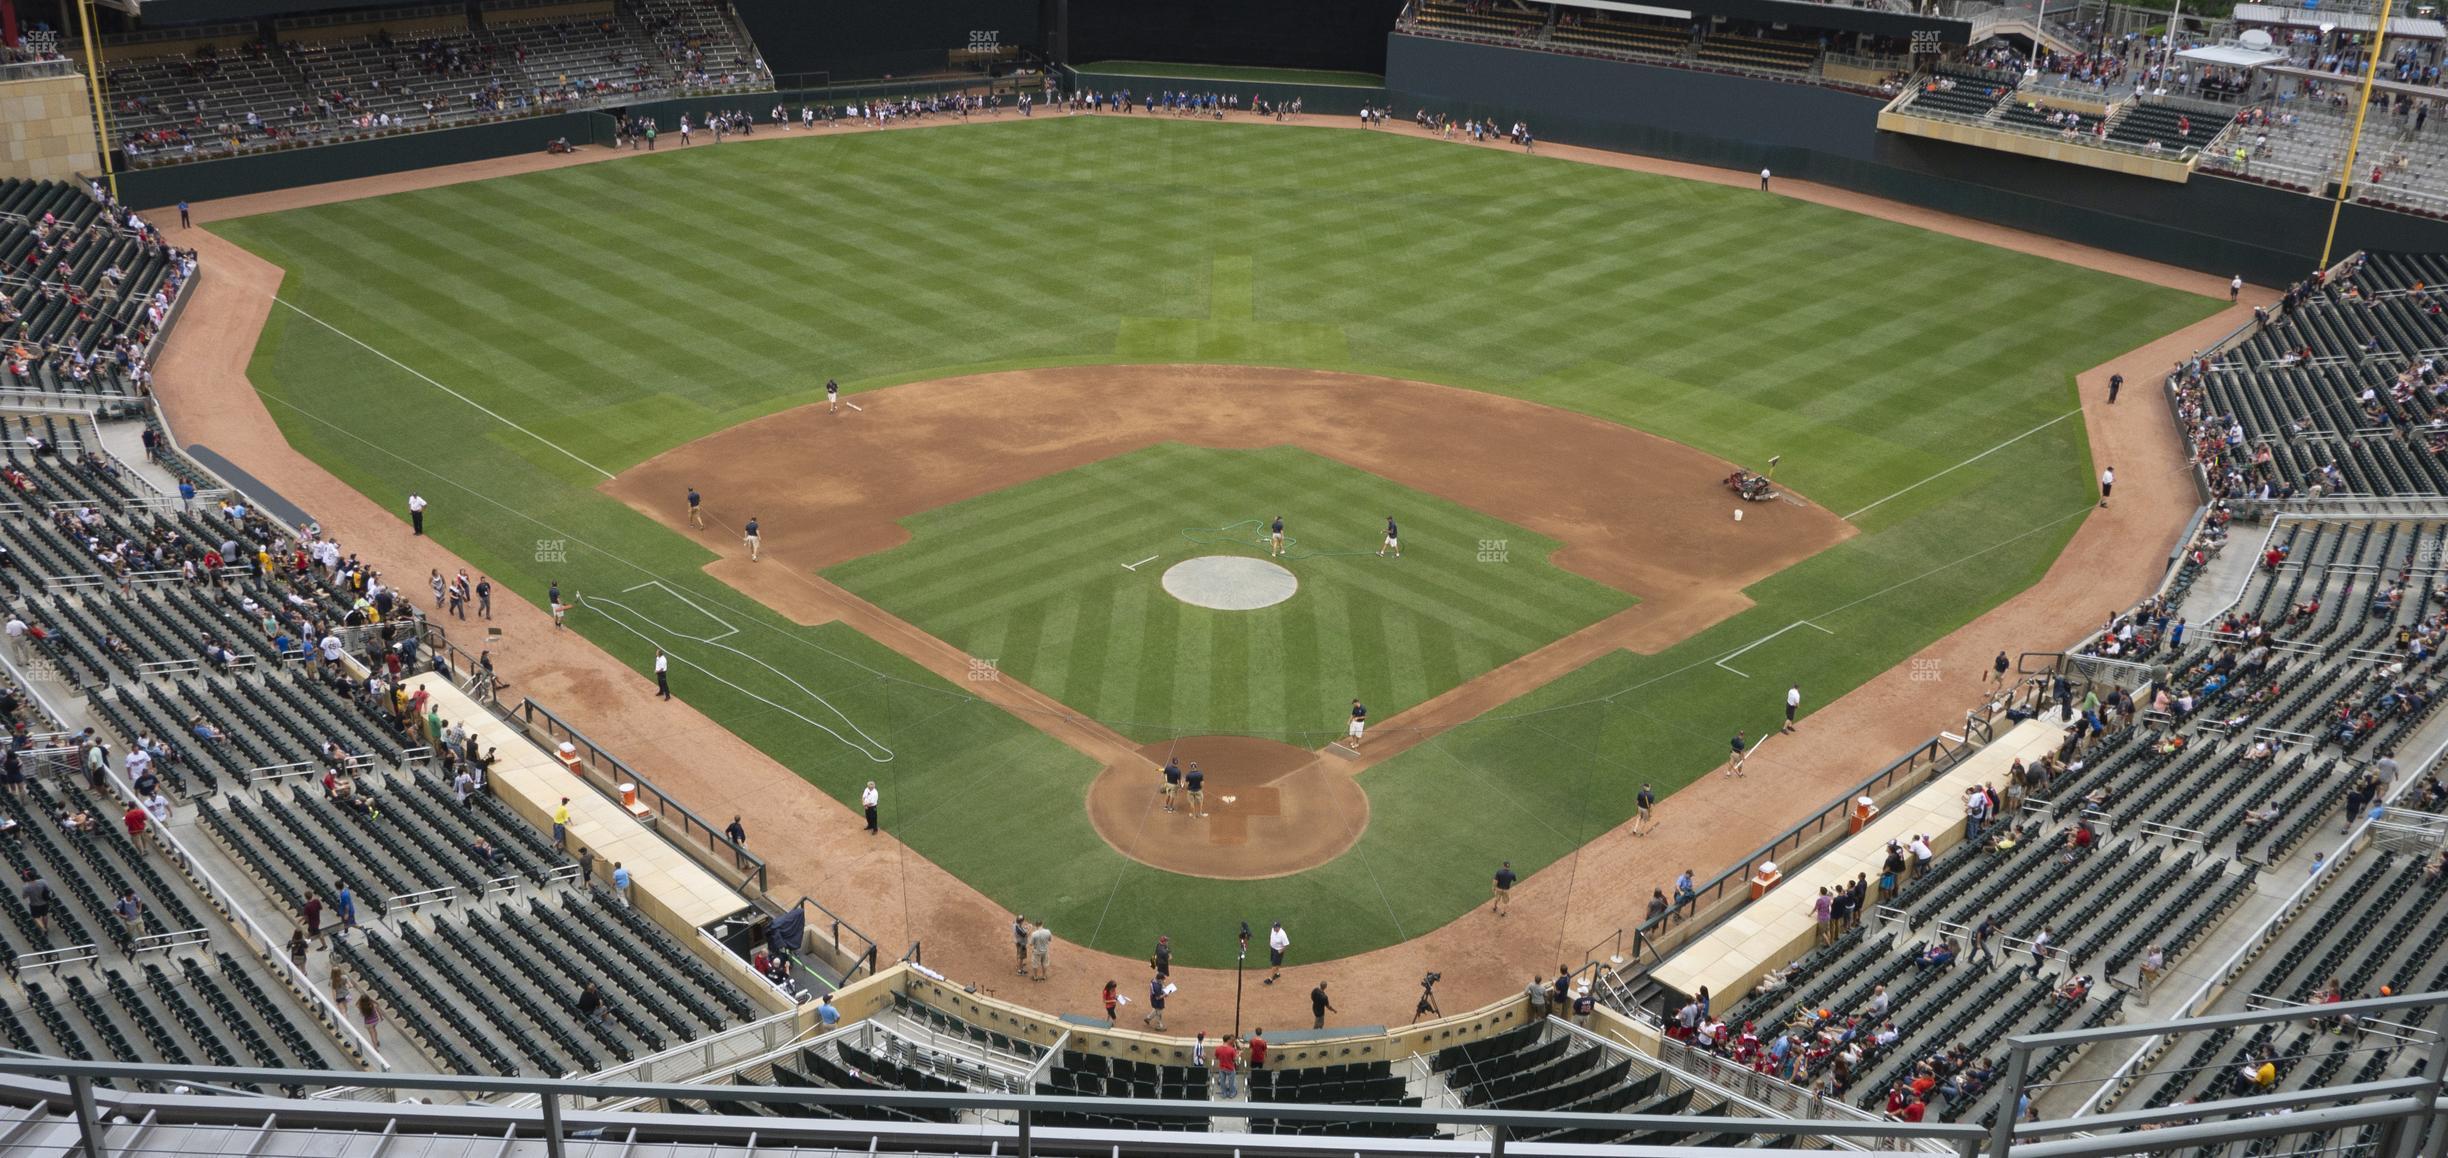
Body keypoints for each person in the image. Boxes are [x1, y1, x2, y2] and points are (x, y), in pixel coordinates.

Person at [1265, 920, 1289, 985]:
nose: (1274, 928)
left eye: (1275, 927)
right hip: (1273, 949)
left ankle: (1270, 979)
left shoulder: (1283, 934)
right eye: (1274, 927)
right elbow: (1271, 936)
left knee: (1274, 965)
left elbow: (1286, 944)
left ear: (1279, 927)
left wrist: (1280, 951)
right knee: (1275, 962)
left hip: (1278, 951)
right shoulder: (1273, 929)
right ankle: (1277, 973)